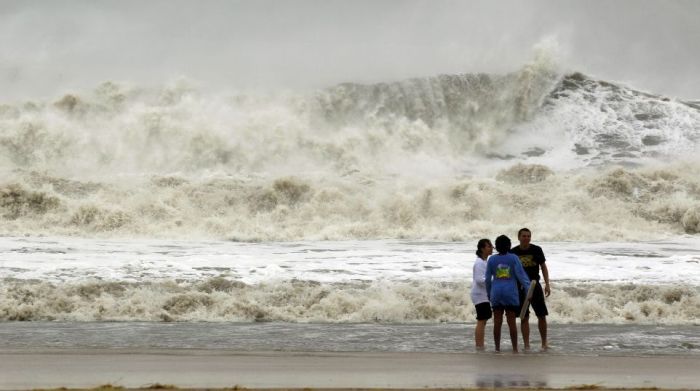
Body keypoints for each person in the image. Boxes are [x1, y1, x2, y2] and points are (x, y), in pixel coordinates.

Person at [485, 235, 530, 352]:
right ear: (509, 246)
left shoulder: (492, 260)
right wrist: (528, 289)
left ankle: (497, 348)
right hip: (510, 292)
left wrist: (489, 294)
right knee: (511, 322)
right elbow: (521, 275)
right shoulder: (514, 258)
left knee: (497, 322)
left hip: (496, 292)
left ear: (497, 246)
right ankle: (515, 348)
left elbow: (487, 279)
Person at [511, 227, 551, 350]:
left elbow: (543, 267)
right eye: (524, 236)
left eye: (528, 236)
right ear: (519, 237)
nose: (526, 238)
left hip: (535, 285)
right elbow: (511, 271)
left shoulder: (537, 250)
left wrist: (547, 283)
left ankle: (544, 343)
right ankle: (526, 344)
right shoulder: (513, 252)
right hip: (520, 287)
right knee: (524, 316)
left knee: (541, 315)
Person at [471, 238, 493, 350]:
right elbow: (480, 280)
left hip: (483, 294)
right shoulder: (479, 262)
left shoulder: (484, 261)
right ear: (482, 249)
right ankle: (479, 345)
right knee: (482, 319)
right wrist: (493, 283)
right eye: (489, 246)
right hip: (479, 294)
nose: (492, 248)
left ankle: (480, 343)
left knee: (484, 319)